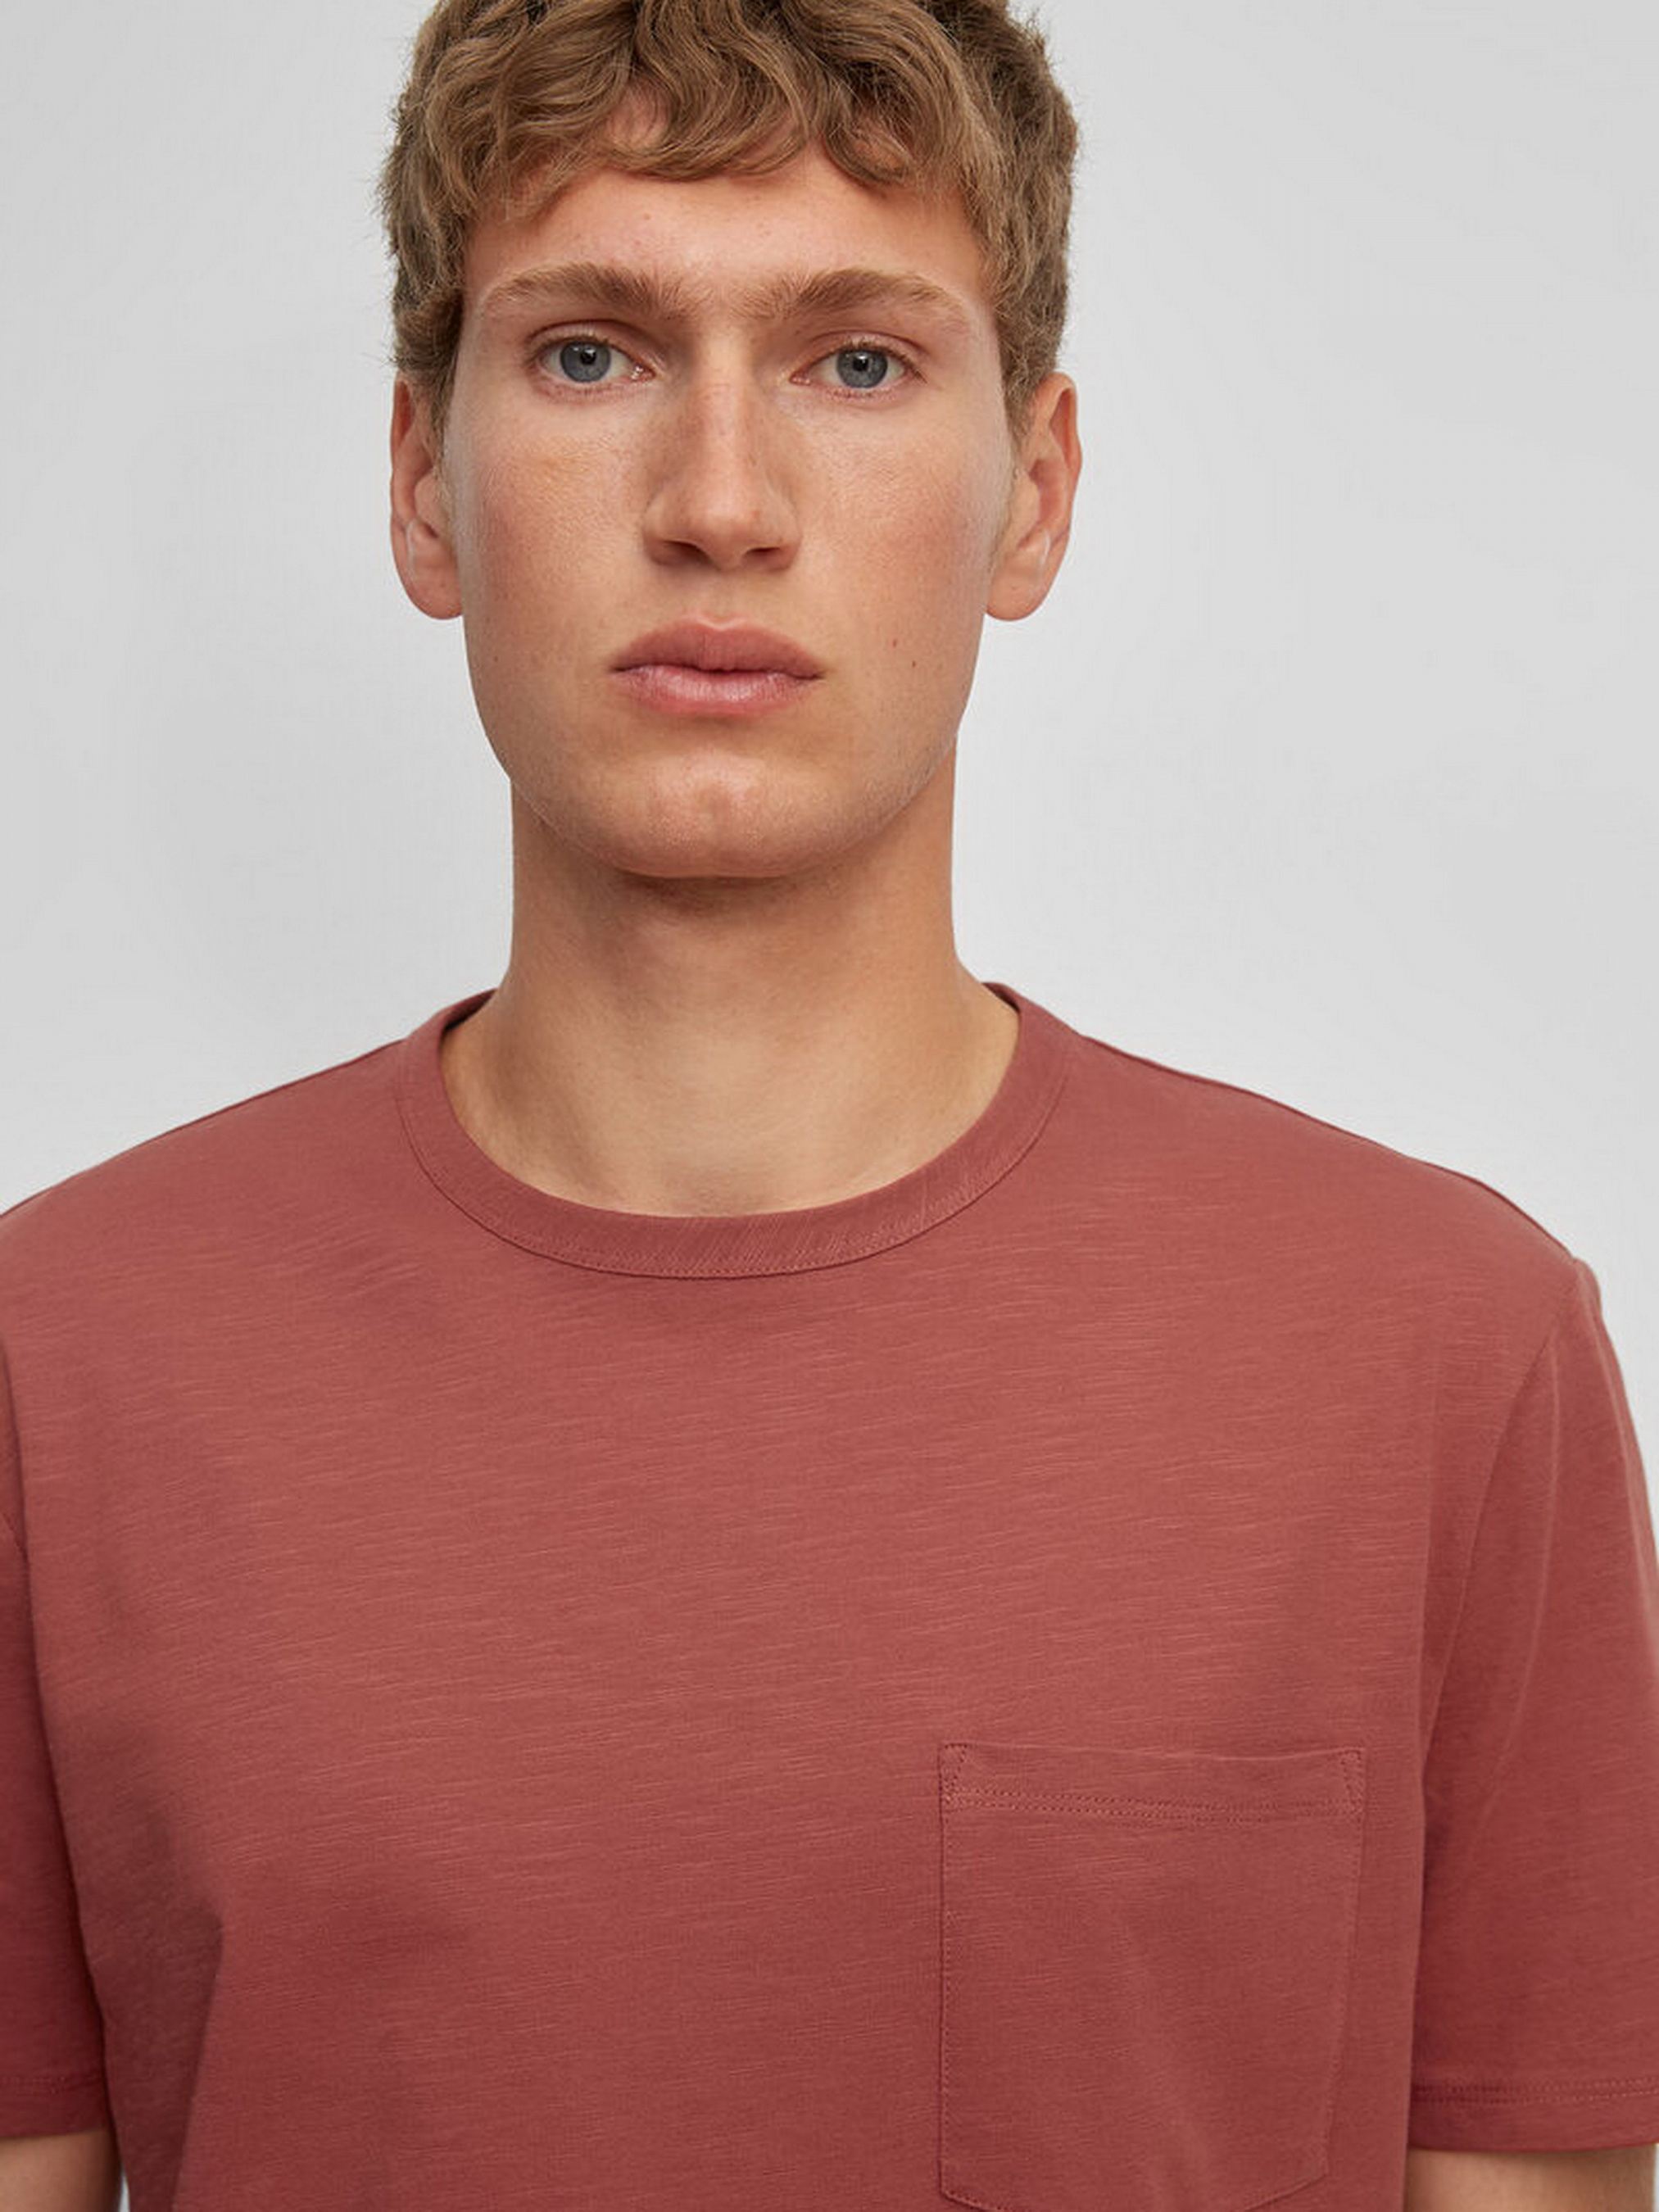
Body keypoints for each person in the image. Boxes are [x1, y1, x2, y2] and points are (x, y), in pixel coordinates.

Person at [2, 0, 1656, 2206]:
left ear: (1031, 492)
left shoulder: (1445, 1354)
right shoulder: (57, 1368)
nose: (718, 502)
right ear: (420, 482)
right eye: (590, 352)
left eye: (856, 361)